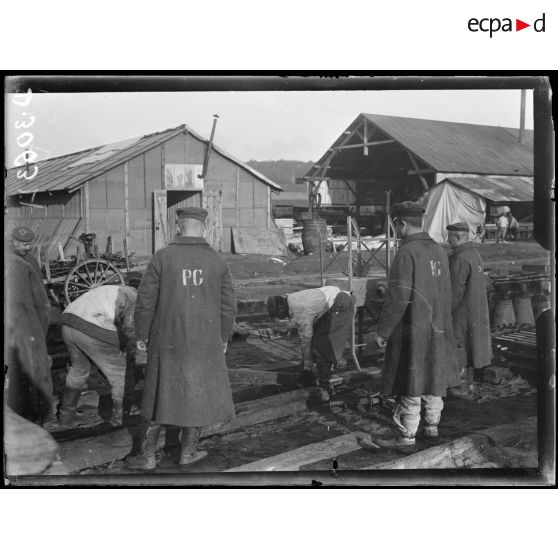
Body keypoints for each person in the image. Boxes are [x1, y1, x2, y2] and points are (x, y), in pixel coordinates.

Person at [125, 207, 236, 471]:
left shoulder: (162, 257)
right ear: (204, 228)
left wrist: (142, 335)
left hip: (167, 340)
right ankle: (188, 453)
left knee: (157, 393)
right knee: (196, 393)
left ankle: (147, 457)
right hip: (205, 342)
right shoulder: (218, 261)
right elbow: (228, 306)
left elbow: (145, 302)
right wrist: (223, 338)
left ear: (177, 227)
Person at [358, 202, 459, 450]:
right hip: (438, 328)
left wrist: (383, 331)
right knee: (433, 378)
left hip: (413, 330)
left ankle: (406, 437)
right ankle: (432, 429)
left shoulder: (406, 253)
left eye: (395, 224)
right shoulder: (439, 250)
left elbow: (398, 298)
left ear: (400, 223)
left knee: (411, 382)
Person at [58, 285, 138, 427]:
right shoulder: (133, 296)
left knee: (78, 371)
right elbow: (129, 329)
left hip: (67, 322)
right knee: (121, 374)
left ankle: (66, 416)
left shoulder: (113, 289)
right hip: (91, 326)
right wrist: (132, 355)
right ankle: (119, 419)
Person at [4, 226, 53, 424]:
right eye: (22, 243)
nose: (27, 247)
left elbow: (39, 297)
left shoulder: (31, 261)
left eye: (29, 243)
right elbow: (42, 305)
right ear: (11, 240)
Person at [266, 286, 355, 387]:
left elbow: (306, 339)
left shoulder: (298, 310)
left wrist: (307, 367)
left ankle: (325, 382)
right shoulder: (291, 299)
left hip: (341, 303)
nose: (283, 318)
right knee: (316, 337)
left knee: (321, 345)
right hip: (331, 302)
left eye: (279, 315)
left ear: (281, 309)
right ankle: (322, 366)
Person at [446, 222, 493, 398]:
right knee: (470, 346)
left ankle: (460, 386)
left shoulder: (459, 259)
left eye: (449, 237)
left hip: (461, 313)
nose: (447, 240)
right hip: (474, 311)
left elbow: (454, 293)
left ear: (458, 237)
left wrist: (444, 313)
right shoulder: (474, 254)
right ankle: (469, 384)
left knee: (459, 346)